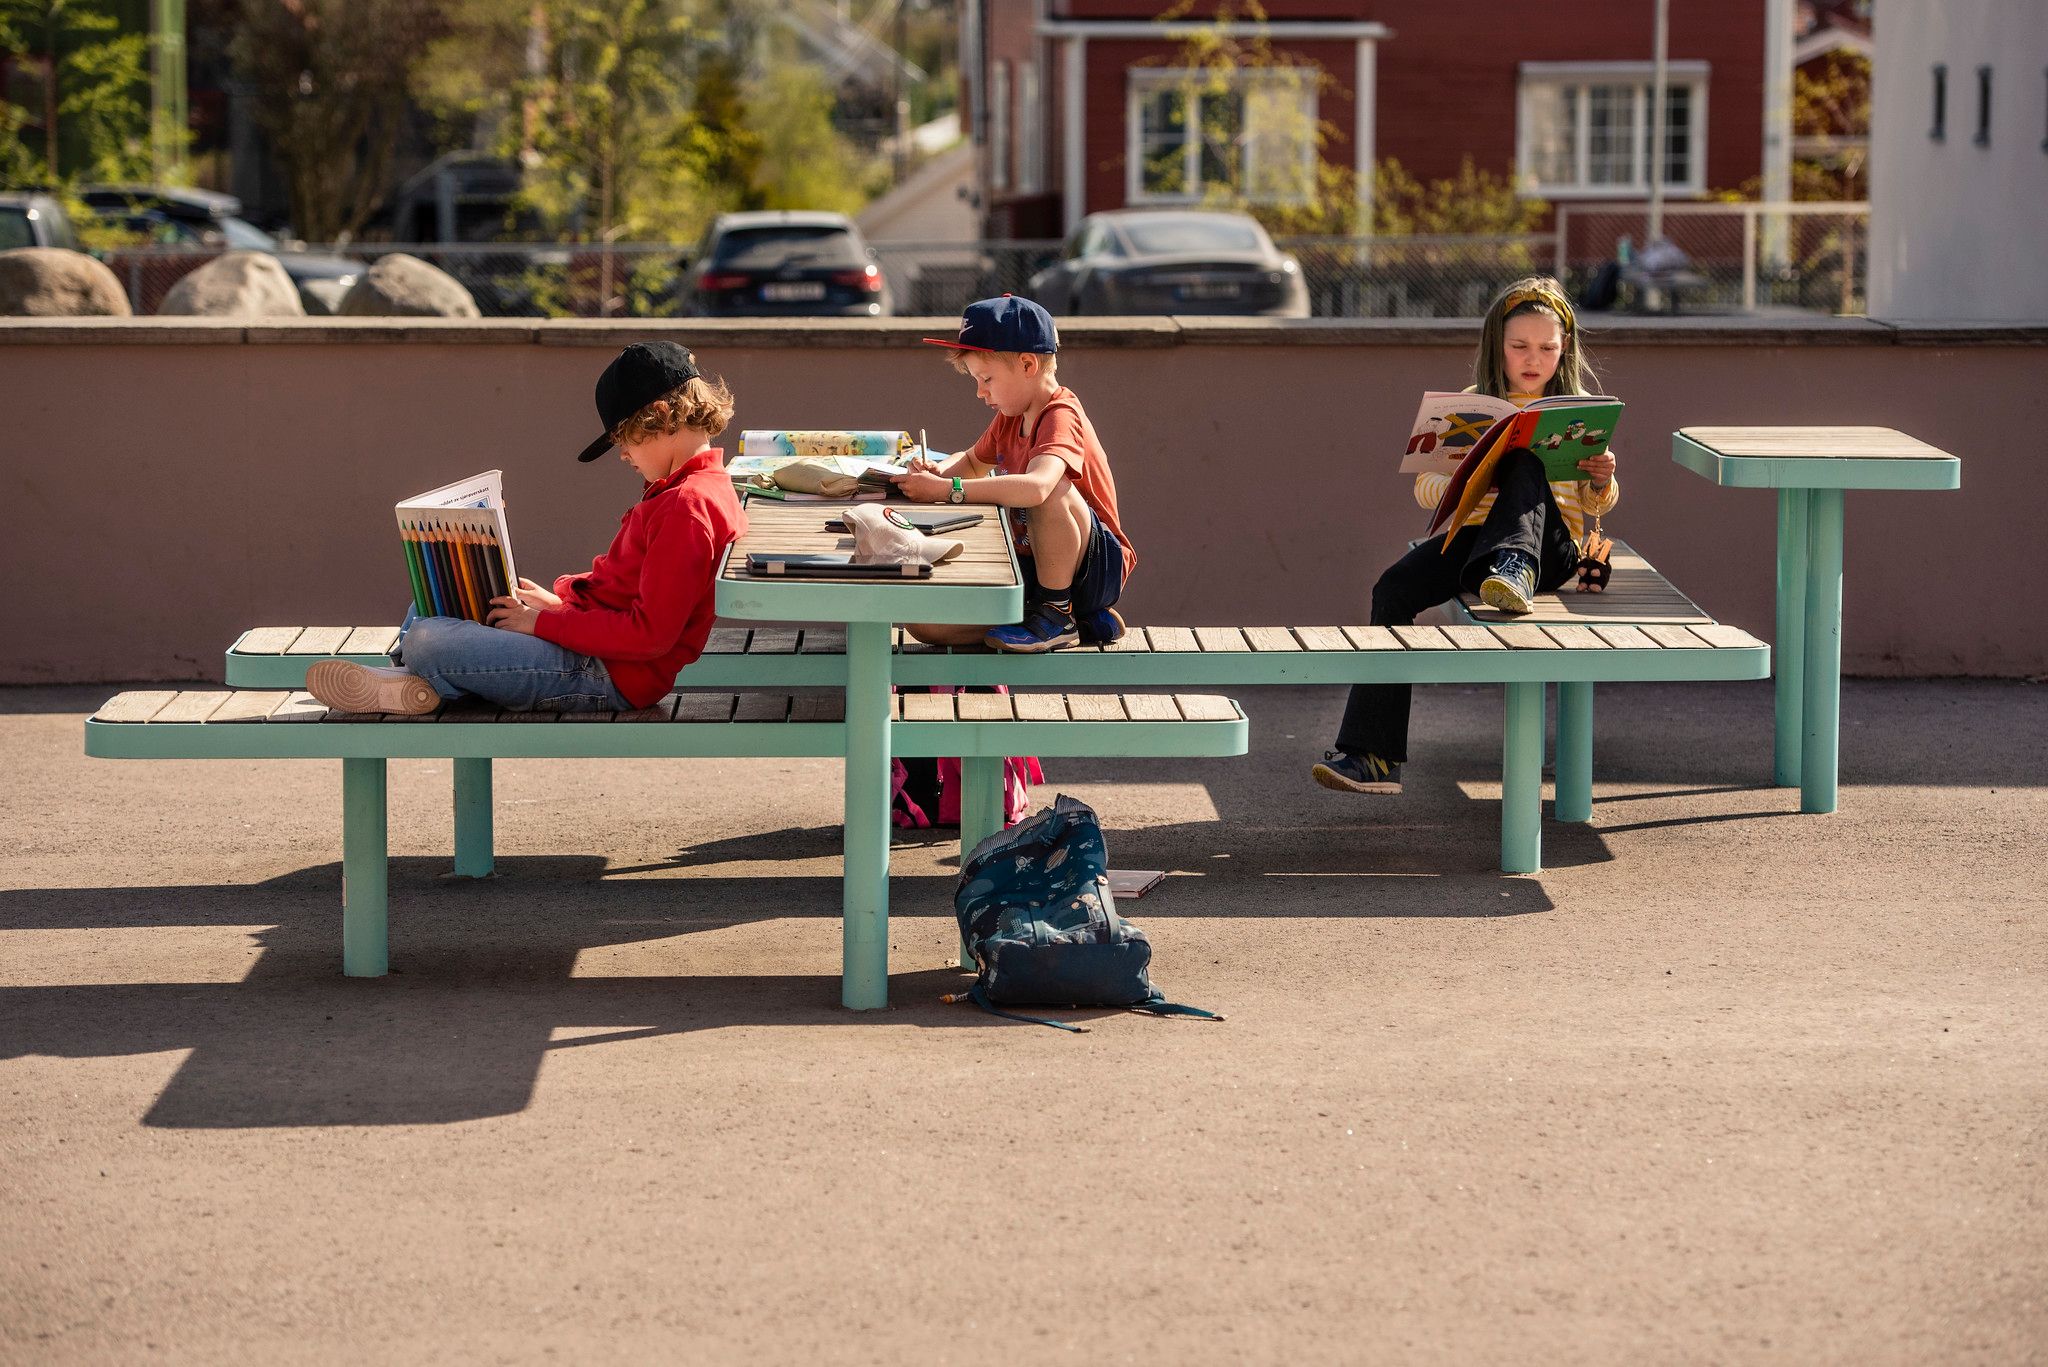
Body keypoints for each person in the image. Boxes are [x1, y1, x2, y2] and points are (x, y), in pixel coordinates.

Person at [304, 341, 748, 715]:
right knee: (443, 591)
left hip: (606, 674)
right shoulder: (689, 492)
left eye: (624, 438)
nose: (623, 456)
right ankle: (410, 681)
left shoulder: (686, 507)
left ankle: (413, 675)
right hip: (590, 651)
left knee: (428, 638)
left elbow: (650, 636)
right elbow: (625, 597)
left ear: (661, 418)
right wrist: (557, 607)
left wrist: (541, 624)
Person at [1311, 277, 1620, 795]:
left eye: (1546, 348)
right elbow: (1428, 491)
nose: (1532, 359)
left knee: (1525, 456)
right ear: (1496, 346)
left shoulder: (1577, 408)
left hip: (1551, 552)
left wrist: (1601, 477)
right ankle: (1372, 756)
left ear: (1564, 348)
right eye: (1519, 346)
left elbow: (1598, 506)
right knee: (1391, 589)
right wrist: (1470, 476)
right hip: (1476, 544)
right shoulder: (1475, 405)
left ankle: (1515, 568)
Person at [893, 295, 1135, 653]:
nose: (980, 392)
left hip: (1093, 567)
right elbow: (974, 463)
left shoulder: (1060, 414)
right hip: (1030, 567)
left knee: (1046, 489)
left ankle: (1057, 614)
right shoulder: (1009, 417)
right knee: (925, 624)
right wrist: (937, 472)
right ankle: (1080, 621)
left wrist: (947, 489)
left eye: (986, 378)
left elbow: (1038, 488)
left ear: (1027, 365)